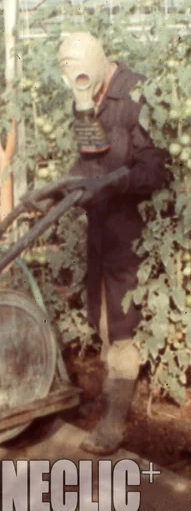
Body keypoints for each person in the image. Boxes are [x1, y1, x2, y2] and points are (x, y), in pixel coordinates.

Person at [24, 31, 169, 455]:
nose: (82, 94)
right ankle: (113, 388)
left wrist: (115, 181)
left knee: (123, 322)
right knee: (102, 313)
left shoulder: (139, 97)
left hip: (132, 230)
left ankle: (114, 422)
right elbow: (89, 158)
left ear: (100, 65)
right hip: (100, 226)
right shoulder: (83, 93)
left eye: (86, 85)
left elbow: (154, 170)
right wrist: (56, 188)